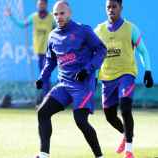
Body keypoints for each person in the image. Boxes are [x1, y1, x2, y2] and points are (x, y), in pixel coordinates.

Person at [35, 1, 107, 158]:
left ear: (69, 13)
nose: (59, 17)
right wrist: (42, 77)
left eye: (62, 13)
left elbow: (102, 49)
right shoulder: (52, 36)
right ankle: (43, 154)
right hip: (64, 84)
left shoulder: (83, 30)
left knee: (80, 120)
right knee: (43, 112)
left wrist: (87, 70)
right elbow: (51, 60)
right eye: (56, 14)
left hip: (83, 85)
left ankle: (99, 156)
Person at [94, 0, 154, 158]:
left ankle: (129, 150)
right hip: (107, 77)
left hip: (126, 74)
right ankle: (126, 134)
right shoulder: (99, 31)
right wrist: (93, 77)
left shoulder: (131, 29)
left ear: (121, 8)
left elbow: (143, 51)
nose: (111, 9)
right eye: (108, 7)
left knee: (125, 108)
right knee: (109, 115)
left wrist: (148, 71)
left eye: (114, 6)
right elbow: (93, 55)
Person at [4, 0, 54, 102]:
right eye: (39, 4)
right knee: (43, 74)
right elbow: (22, 24)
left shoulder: (51, 18)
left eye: (42, 4)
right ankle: (47, 96)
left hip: (49, 51)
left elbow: (59, 29)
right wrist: (11, 16)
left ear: (46, 5)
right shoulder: (34, 17)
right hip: (39, 51)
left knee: (45, 74)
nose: (41, 6)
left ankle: (47, 97)